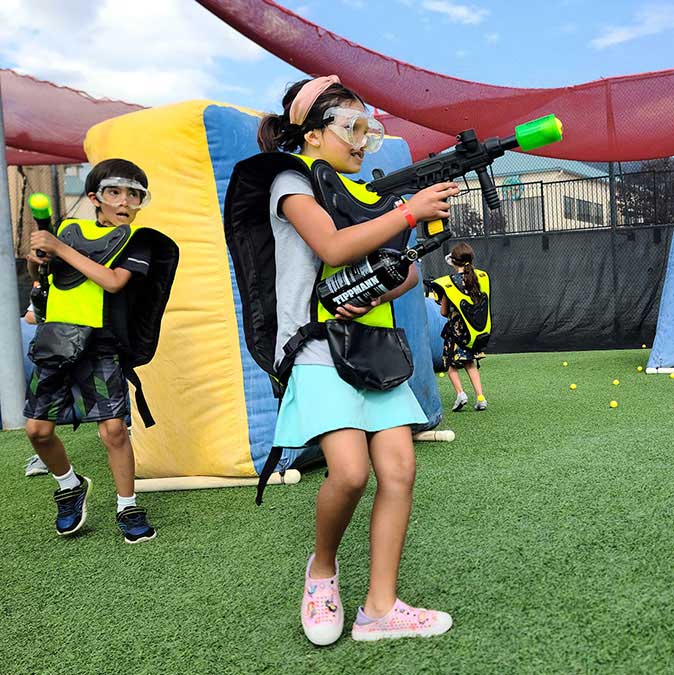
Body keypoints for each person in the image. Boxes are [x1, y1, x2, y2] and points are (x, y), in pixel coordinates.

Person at [243, 75, 459, 644]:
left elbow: (406, 272)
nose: (363, 141)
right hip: (316, 346)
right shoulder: (290, 181)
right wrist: (409, 213)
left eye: (370, 130)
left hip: (376, 346)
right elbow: (333, 247)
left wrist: (385, 277)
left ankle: (380, 608)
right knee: (350, 472)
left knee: (400, 470)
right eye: (352, 128)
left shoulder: (365, 194)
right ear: (312, 134)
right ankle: (321, 570)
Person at [24, 159, 178, 543]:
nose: (124, 201)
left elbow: (112, 281)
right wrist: (36, 261)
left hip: (102, 346)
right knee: (37, 431)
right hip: (56, 342)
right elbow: (46, 280)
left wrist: (58, 246)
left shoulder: (138, 241)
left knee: (113, 430)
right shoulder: (67, 231)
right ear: (94, 198)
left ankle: (127, 506)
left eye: (134, 195)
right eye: (114, 192)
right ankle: (69, 485)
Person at [437, 242, 491, 412]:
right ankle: (481, 398)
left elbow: (443, 312)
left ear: (453, 261)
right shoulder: (479, 279)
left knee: (450, 364)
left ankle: (461, 394)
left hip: (455, 333)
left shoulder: (449, 284)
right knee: (470, 364)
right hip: (472, 333)